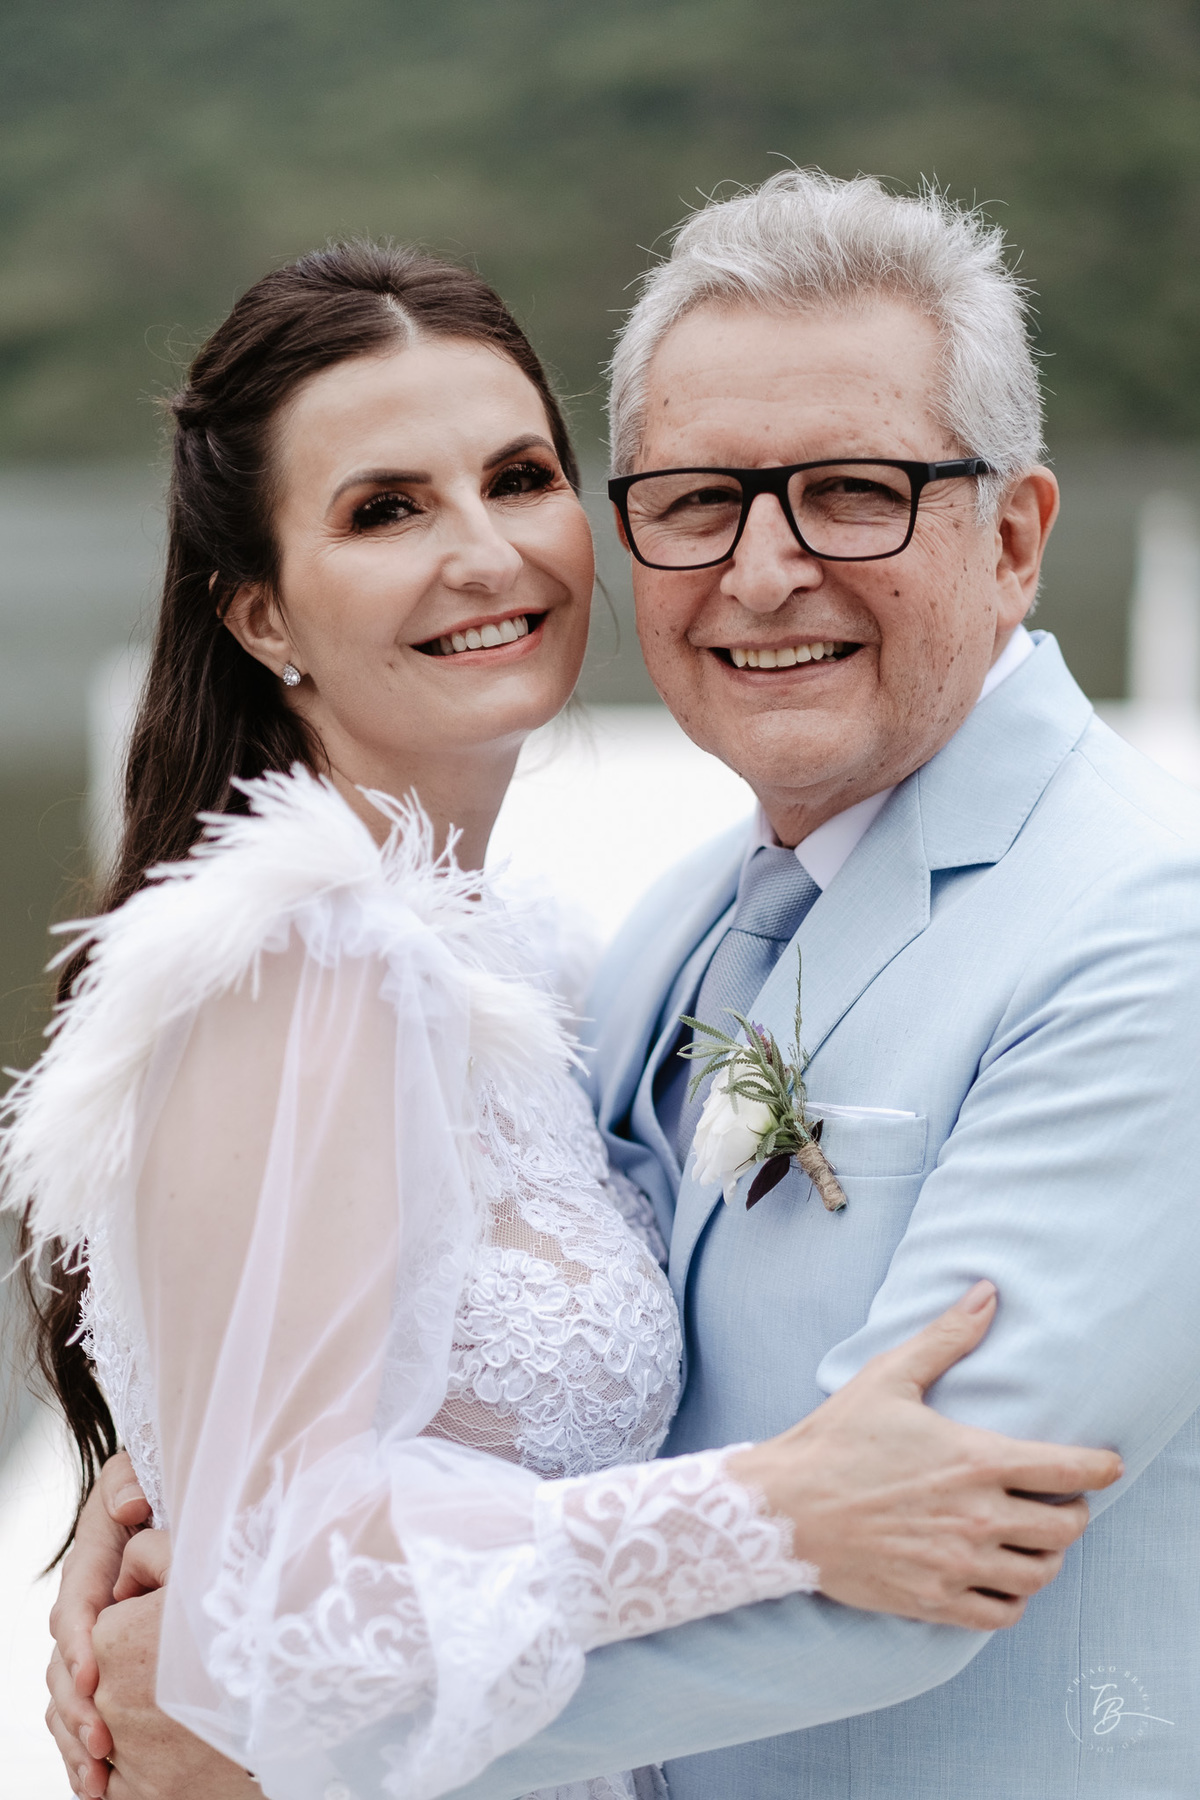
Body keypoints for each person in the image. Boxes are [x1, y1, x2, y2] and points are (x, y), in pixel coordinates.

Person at [5, 238, 1114, 1800]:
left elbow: (328, 1415)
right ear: (262, 616)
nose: (484, 554)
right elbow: (279, 1590)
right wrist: (779, 1512)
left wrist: (164, 1473)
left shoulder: (535, 954)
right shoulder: (300, 957)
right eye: (387, 509)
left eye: (518, 479)